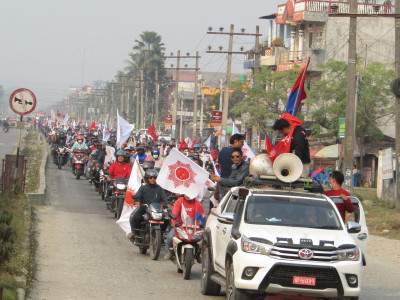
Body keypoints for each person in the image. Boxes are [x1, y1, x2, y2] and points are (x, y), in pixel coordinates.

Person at [128, 169, 170, 239]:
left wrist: (167, 204)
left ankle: (161, 233)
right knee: (134, 216)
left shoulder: (159, 188)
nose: (153, 179)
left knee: (167, 219)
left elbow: (164, 197)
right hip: (145, 208)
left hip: (157, 210)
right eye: (150, 178)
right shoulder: (143, 187)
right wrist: (137, 201)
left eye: (155, 178)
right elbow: (138, 195)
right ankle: (134, 231)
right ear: (147, 178)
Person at [164, 194, 205, 260]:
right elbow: (174, 214)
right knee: (170, 237)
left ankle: (198, 253)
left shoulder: (197, 204)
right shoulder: (179, 202)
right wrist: (174, 223)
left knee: (203, 239)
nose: (188, 195)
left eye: (189, 193)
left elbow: (202, 217)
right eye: (186, 193)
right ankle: (170, 252)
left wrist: (203, 224)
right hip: (180, 226)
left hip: (194, 227)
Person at [217, 134, 245, 199]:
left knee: (223, 204)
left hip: (223, 181)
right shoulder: (238, 152)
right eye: (241, 142)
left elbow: (220, 166)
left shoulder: (222, 151)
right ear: (235, 141)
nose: (242, 145)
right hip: (234, 184)